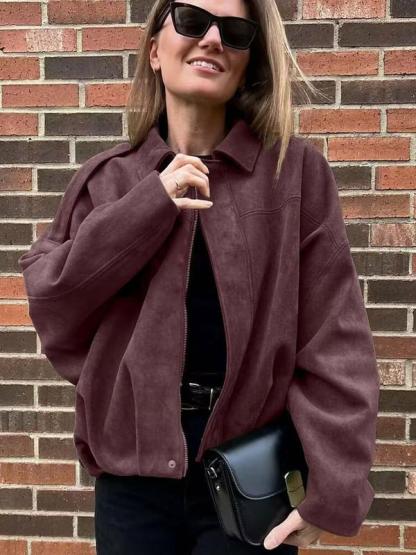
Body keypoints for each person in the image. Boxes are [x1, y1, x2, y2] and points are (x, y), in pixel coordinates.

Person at [18, 0, 380, 553]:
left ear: (249, 61)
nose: (212, 39)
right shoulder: (107, 180)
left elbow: (335, 338)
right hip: (133, 483)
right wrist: (151, 201)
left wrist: (332, 489)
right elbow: (54, 300)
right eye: (191, 20)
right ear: (154, 51)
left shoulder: (294, 175)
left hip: (248, 477)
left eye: (234, 32)